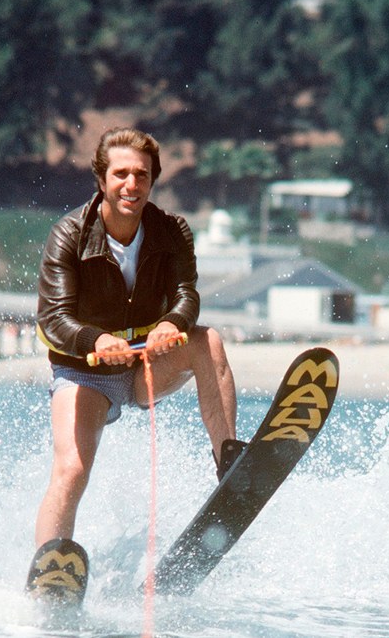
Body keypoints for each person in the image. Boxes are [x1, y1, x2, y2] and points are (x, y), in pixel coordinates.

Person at [32, 126, 243, 549]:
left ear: (153, 179)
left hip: (145, 364)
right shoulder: (69, 234)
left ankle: (230, 464)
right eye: (121, 174)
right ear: (102, 180)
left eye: (142, 175)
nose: (132, 185)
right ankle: (50, 565)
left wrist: (174, 323)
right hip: (84, 372)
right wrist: (95, 340)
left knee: (208, 341)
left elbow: (186, 294)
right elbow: (54, 317)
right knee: (71, 470)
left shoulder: (171, 230)